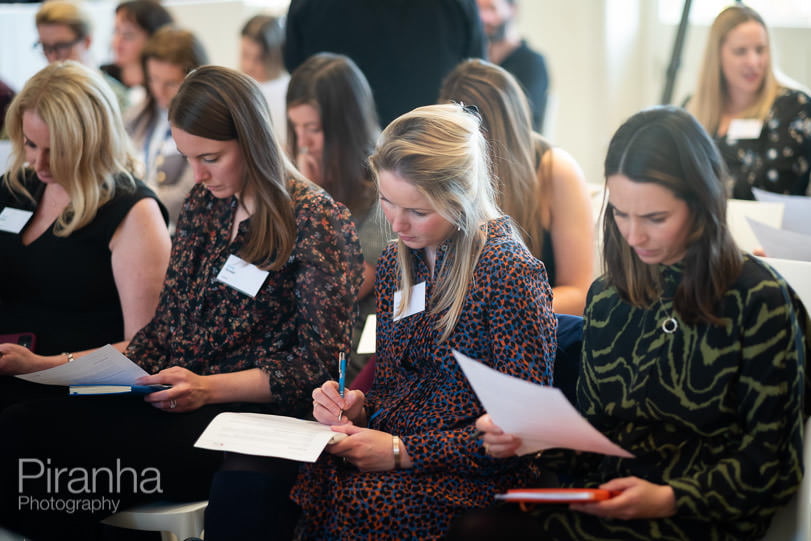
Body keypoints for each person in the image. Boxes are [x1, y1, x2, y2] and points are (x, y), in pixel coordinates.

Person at [0, 65, 363, 540]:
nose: (199, 173)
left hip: (247, 414)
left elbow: (320, 364)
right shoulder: (204, 204)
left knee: (33, 471)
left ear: (252, 142)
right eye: (188, 157)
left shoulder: (316, 219)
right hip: (178, 397)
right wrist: (51, 365)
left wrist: (209, 388)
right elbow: (163, 331)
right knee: (18, 432)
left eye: (210, 156)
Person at [470, 106, 810, 541]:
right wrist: (525, 441)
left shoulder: (759, 301)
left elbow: (772, 463)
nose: (634, 236)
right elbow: (593, 434)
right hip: (606, 503)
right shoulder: (610, 295)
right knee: (474, 527)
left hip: (699, 517)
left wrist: (668, 497)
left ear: (702, 203)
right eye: (621, 214)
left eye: (655, 218)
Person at [293, 103, 557, 540]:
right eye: (387, 202)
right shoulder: (401, 262)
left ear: (462, 196)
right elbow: (401, 385)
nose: (397, 224)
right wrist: (360, 407)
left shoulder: (508, 272)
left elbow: (524, 430)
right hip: (404, 450)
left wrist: (401, 451)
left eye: (417, 211)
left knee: (365, 500)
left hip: (474, 471)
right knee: (303, 474)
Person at [0, 61, 169, 362]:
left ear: (93, 142)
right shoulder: (16, 188)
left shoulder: (132, 211)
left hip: (79, 386)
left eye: (58, 151)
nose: (39, 164)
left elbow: (147, 347)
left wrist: (43, 366)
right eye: (31, 144)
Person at [440, 59, 592, 315]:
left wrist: (495, 312)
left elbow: (580, 293)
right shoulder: (445, 167)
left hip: (536, 331)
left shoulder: (555, 170)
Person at [287, 53, 390, 378]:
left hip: (356, 352)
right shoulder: (306, 174)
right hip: (304, 339)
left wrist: (313, 200)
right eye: (295, 127)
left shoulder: (383, 186)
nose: (302, 143)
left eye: (313, 129)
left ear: (345, 129)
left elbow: (337, 290)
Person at [283, 0, 486, 126]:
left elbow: (298, 73)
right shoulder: (458, 4)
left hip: (340, 149)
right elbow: (474, 77)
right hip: (427, 151)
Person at [687, 5, 811, 199]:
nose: (753, 62)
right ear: (717, 56)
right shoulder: (692, 109)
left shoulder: (793, 107)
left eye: (760, 50)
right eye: (740, 51)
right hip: (706, 227)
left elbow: (775, 188)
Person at [127, 26, 208, 230]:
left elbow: (189, 194)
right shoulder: (134, 116)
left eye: (171, 83)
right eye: (153, 79)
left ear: (193, 80)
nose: (159, 91)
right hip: (133, 222)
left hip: (178, 229)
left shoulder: (205, 125)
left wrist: (133, 202)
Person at [34, 0, 129, 112]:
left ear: (87, 41)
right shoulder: (37, 95)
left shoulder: (113, 96)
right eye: (45, 47)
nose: (52, 57)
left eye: (62, 46)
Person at [476, 0, 550, 133]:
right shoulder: (476, 61)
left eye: (492, 9)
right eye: (479, 9)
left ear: (513, 10)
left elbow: (526, 121)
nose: (483, 17)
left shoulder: (531, 62)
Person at [101, 0, 175, 105]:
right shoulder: (103, 77)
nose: (118, 41)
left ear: (152, 39)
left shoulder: (161, 89)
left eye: (128, 35)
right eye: (116, 31)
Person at [240, 14, 289, 146]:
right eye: (244, 55)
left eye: (259, 59)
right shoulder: (238, 87)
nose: (248, 66)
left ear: (275, 56)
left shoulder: (289, 91)